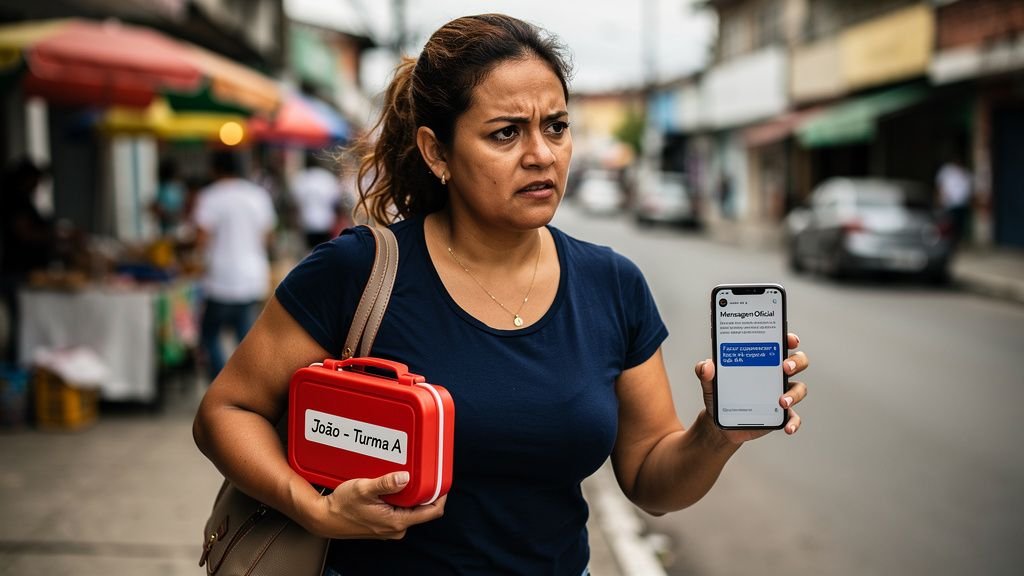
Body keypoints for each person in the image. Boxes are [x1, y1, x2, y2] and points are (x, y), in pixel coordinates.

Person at [193, 14, 810, 575]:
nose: (541, 155)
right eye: (506, 134)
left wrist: (717, 433)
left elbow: (652, 479)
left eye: (557, 127)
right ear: (438, 152)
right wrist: (315, 510)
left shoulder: (611, 284)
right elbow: (225, 412)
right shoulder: (359, 272)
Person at [193, 151, 277, 380]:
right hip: (251, 276)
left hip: (221, 277)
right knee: (245, 338)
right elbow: (268, 237)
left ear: (214, 169)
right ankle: (244, 385)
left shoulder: (210, 196)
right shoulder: (258, 196)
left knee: (209, 335)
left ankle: (220, 382)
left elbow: (201, 238)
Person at [291, 152, 343, 251]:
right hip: (326, 221)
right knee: (324, 251)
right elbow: (336, 202)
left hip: (306, 222)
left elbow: (295, 204)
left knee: (309, 252)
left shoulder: (300, 178)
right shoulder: (327, 178)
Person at [935, 152, 973, 246]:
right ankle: (948, 241)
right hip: (949, 204)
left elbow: (969, 188)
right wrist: (940, 197)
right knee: (948, 223)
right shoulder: (947, 170)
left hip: (961, 204)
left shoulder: (965, 173)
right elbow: (940, 186)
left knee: (959, 225)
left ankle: (958, 242)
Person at [150, 158, 186, 236]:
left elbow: (159, 208)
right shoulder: (179, 187)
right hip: (180, 225)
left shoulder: (162, 188)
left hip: (167, 227)